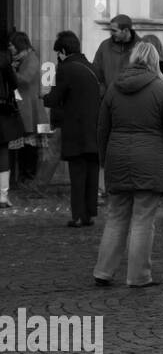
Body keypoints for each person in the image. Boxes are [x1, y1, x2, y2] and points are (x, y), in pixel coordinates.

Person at [92, 42, 163, 288]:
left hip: (117, 158)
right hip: (150, 160)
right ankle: (138, 276)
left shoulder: (114, 88)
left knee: (116, 216)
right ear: (154, 61)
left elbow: (102, 128)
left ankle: (103, 270)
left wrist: (104, 160)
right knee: (143, 219)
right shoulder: (160, 88)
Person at [42, 31, 102, 227]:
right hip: (94, 129)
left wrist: (44, 96)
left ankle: (77, 216)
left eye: (58, 53)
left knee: (77, 175)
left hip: (75, 131)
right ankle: (90, 215)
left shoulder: (66, 69)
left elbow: (55, 98)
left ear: (64, 51)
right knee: (92, 173)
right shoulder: (91, 67)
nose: (57, 57)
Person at [7, 31, 46, 185]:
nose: (10, 48)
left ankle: (28, 177)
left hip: (31, 109)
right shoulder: (21, 60)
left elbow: (24, 79)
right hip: (24, 108)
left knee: (30, 147)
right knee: (23, 147)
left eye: (11, 45)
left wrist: (9, 70)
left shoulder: (31, 59)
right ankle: (21, 177)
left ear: (18, 45)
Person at [92, 14, 140, 97]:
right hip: (108, 100)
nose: (111, 33)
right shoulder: (104, 46)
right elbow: (96, 72)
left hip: (133, 100)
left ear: (125, 30)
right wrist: (103, 94)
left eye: (114, 30)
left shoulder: (141, 47)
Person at [0, 49, 23, 207]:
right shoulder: (3, 60)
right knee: (2, 152)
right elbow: (14, 84)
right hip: (2, 111)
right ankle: (2, 195)